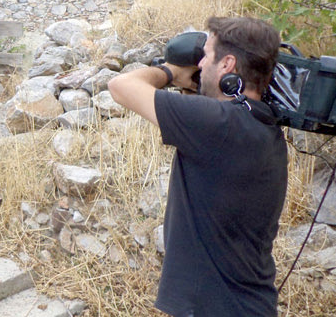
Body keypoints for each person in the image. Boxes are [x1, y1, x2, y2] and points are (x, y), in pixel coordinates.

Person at [108, 17, 288, 316]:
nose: (200, 64)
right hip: (246, 304)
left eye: (207, 55)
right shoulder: (263, 125)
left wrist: (170, 72)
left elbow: (121, 86)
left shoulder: (218, 123)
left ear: (227, 64)